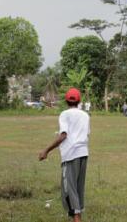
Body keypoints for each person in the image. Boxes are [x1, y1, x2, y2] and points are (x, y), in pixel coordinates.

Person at [39, 88, 90, 222]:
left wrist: (46, 150)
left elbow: (63, 136)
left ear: (66, 101)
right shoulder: (85, 115)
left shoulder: (64, 114)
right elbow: (86, 134)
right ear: (79, 101)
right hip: (83, 154)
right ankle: (77, 216)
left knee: (69, 190)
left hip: (70, 155)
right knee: (78, 188)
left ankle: (76, 218)